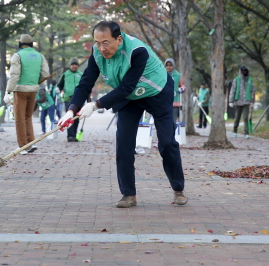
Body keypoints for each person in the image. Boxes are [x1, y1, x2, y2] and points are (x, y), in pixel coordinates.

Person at [58, 21, 186, 208]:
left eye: (106, 42)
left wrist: (95, 105)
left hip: (156, 91)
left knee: (167, 142)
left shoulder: (137, 51)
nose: (101, 48)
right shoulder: (96, 53)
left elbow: (127, 86)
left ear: (119, 39)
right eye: (97, 43)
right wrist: (71, 109)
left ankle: (178, 189)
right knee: (124, 143)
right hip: (130, 98)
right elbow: (85, 83)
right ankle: (128, 194)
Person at [4, 34, 50, 154]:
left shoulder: (17, 56)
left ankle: (23, 146)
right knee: (27, 117)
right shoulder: (40, 56)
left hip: (20, 90)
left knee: (19, 119)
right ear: (31, 44)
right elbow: (45, 74)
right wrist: (35, 82)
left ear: (20, 44)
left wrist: (8, 91)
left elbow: (14, 75)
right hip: (33, 90)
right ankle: (31, 143)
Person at [58, 58, 84, 142]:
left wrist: (87, 97)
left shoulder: (81, 74)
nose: (74, 66)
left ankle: (74, 135)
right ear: (70, 66)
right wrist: (58, 89)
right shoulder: (65, 75)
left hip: (79, 98)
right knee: (69, 117)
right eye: (72, 64)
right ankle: (70, 136)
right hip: (68, 98)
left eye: (76, 64)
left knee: (76, 118)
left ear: (78, 66)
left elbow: (86, 86)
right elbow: (60, 85)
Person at [229, 65, 256, 138]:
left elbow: (253, 91)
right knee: (237, 117)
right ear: (240, 72)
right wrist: (230, 101)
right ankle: (235, 131)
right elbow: (233, 90)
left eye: (246, 71)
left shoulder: (250, 80)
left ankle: (246, 133)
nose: (244, 72)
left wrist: (253, 101)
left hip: (246, 102)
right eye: (243, 71)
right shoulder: (236, 79)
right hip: (238, 101)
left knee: (245, 118)